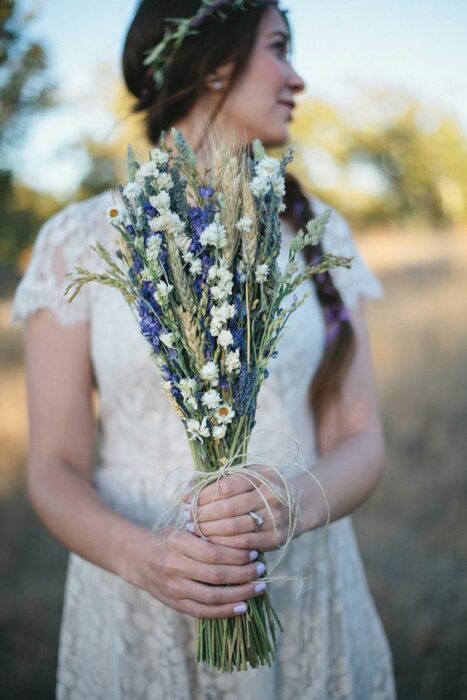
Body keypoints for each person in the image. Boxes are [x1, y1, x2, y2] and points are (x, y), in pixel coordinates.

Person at [10, 0, 397, 698]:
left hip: (303, 578)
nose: (296, 78)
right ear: (216, 64)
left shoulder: (318, 233)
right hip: (139, 594)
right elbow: (53, 467)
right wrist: (143, 558)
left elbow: (361, 438)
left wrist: (294, 503)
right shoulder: (78, 240)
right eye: (279, 47)